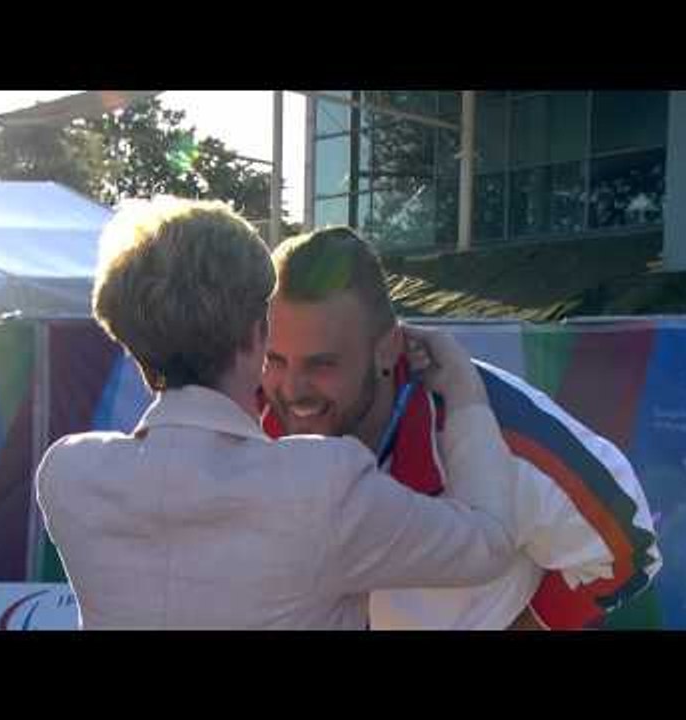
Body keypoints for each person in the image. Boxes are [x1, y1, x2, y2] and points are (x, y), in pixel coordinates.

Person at [34, 198, 523, 630]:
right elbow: (490, 542)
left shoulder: (68, 475)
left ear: (130, 341)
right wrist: (465, 393)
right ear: (257, 336)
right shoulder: (321, 486)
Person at [260, 226, 662, 630]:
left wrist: (528, 625)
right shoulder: (245, 419)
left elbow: (628, 548)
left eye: (321, 363)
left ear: (387, 348)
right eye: (274, 359)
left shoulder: (507, 431)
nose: (292, 391)